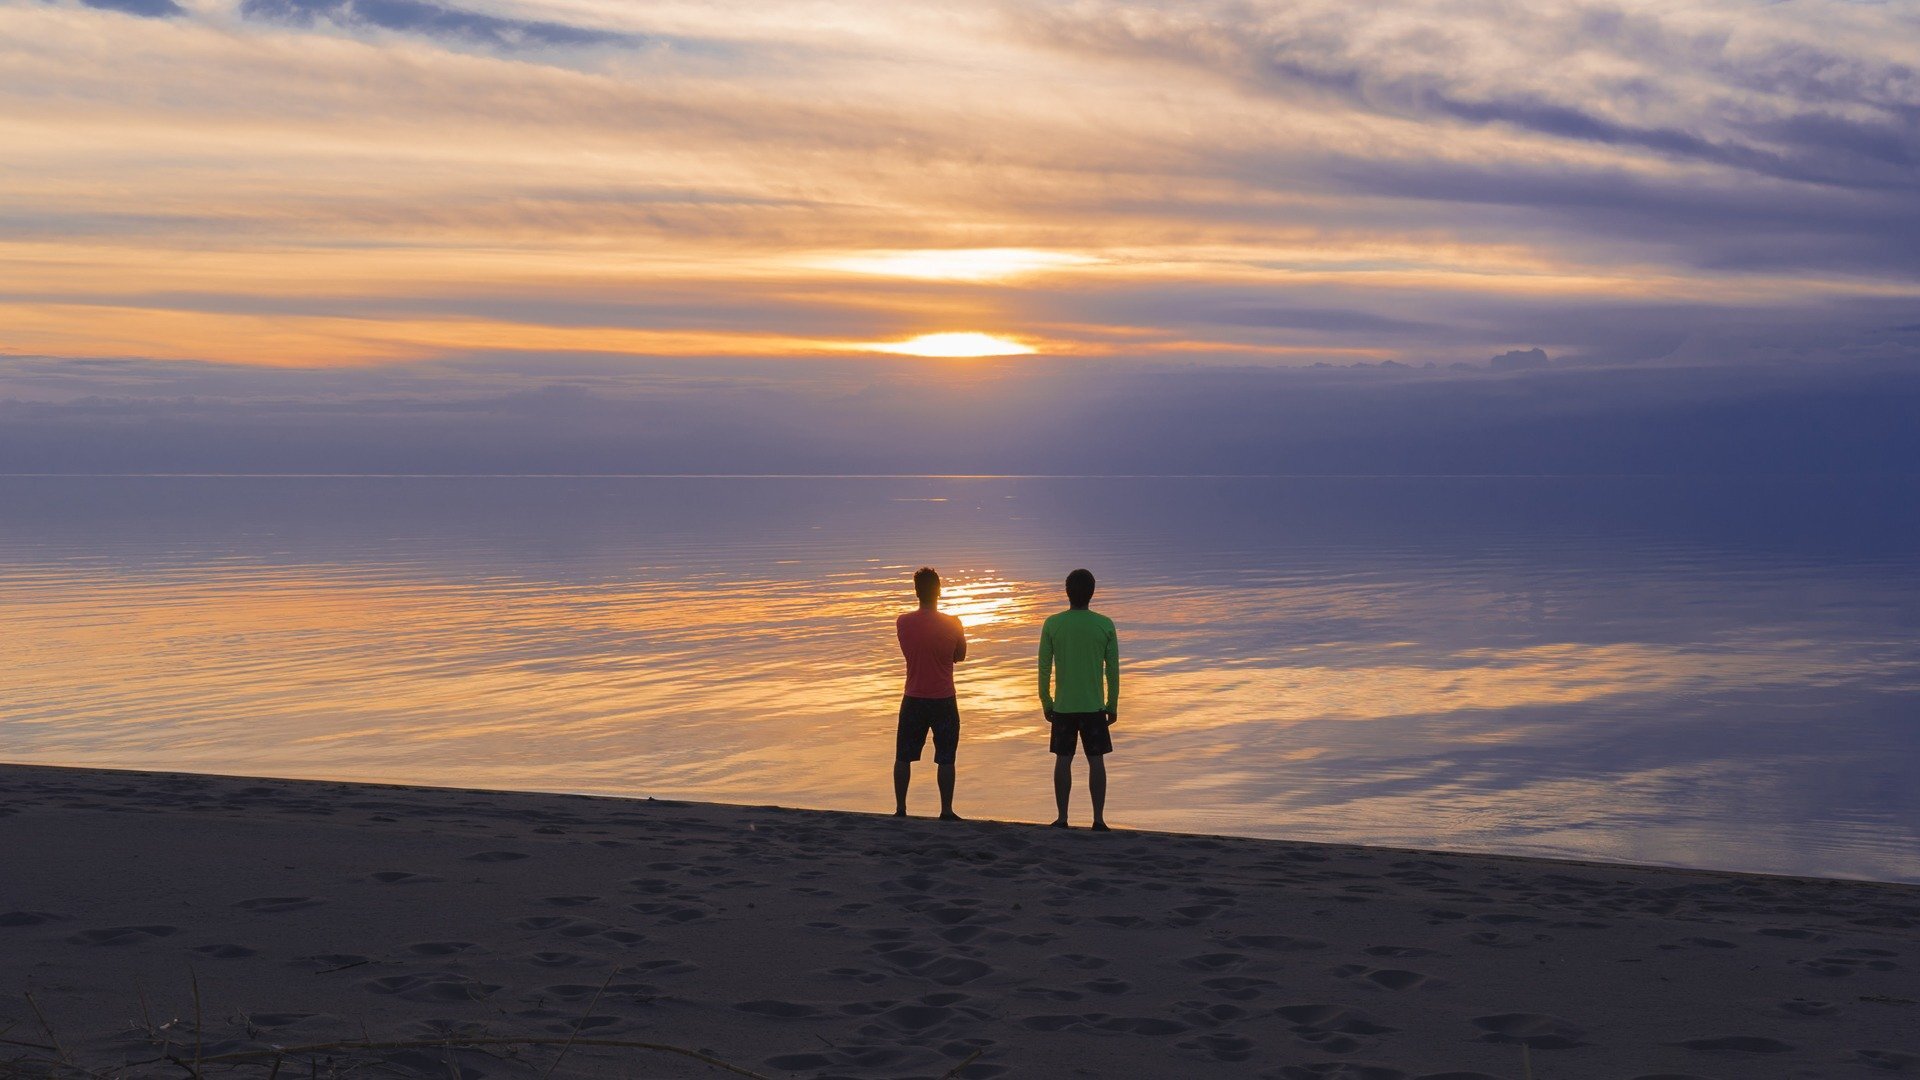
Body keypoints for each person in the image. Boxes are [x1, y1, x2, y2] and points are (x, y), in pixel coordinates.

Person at [1037, 568, 1119, 830]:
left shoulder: (1053, 624)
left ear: (1067, 592)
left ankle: (1062, 817)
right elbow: (1112, 670)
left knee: (1063, 759)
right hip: (1094, 706)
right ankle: (1098, 819)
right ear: (1092, 593)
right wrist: (1112, 704)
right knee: (1097, 760)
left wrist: (1046, 701)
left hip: (1064, 706)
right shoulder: (1104, 625)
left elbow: (1044, 668)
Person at [895, 566, 967, 820]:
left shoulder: (903, 622)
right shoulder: (953, 623)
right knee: (946, 758)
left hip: (913, 697)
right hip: (943, 699)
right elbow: (960, 655)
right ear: (939, 591)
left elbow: (911, 650)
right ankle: (946, 810)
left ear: (916, 592)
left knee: (903, 756)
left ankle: (901, 809)